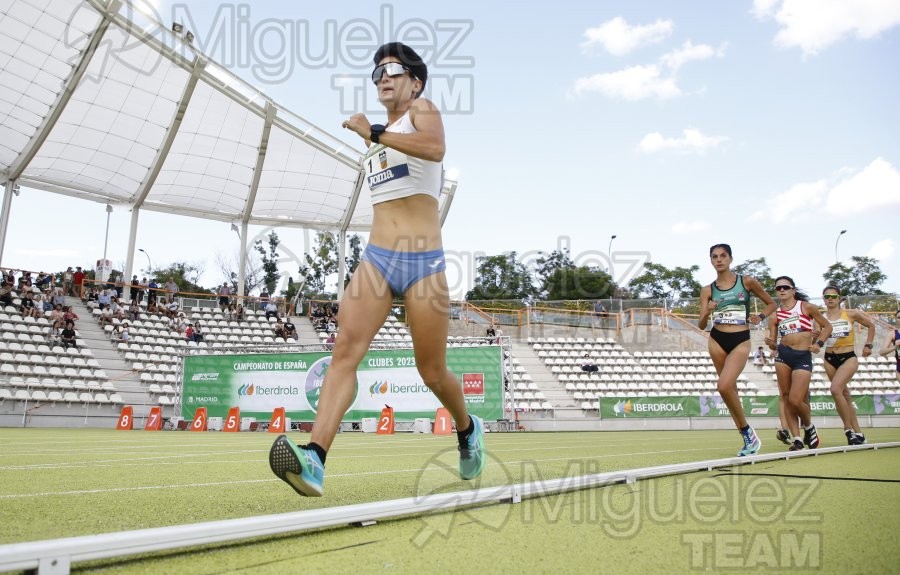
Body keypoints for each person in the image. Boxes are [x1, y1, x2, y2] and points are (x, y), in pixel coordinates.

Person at [269, 42, 485, 497]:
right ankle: (315, 458)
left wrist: (376, 132)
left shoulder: (421, 112)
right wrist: (375, 137)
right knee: (345, 351)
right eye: (376, 73)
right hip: (377, 259)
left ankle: (467, 430)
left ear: (415, 80)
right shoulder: (377, 140)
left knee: (432, 371)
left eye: (392, 70)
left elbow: (435, 147)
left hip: (424, 261)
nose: (382, 78)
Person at [697, 244, 776, 457]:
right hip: (717, 338)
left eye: (723, 256)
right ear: (711, 261)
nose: (719, 260)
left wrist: (759, 318)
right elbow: (701, 324)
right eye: (714, 257)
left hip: (740, 338)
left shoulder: (746, 281)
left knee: (723, 385)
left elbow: (771, 304)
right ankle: (747, 436)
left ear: (730, 259)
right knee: (728, 389)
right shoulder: (707, 290)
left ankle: (747, 431)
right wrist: (708, 310)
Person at [765, 276, 832, 452]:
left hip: (802, 356)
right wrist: (770, 342)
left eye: (785, 287)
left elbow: (827, 327)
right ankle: (797, 439)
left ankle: (809, 427)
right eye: (778, 288)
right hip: (783, 355)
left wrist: (819, 344)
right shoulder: (775, 315)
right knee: (786, 397)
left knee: (796, 399)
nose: (781, 290)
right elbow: (773, 341)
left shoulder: (806, 307)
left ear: (793, 290)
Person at [813, 285, 876, 445]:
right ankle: (859, 434)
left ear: (840, 298)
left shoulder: (850, 314)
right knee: (844, 395)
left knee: (835, 389)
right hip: (829, 357)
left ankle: (848, 431)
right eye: (827, 296)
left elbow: (871, 326)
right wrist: (814, 339)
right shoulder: (819, 318)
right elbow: (816, 341)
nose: (830, 299)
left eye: (833, 296)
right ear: (823, 299)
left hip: (848, 357)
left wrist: (868, 345)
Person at [878, 309, 900, 382]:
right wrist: (895, 347)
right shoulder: (892, 334)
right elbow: (882, 352)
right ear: (896, 319)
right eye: (899, 317)